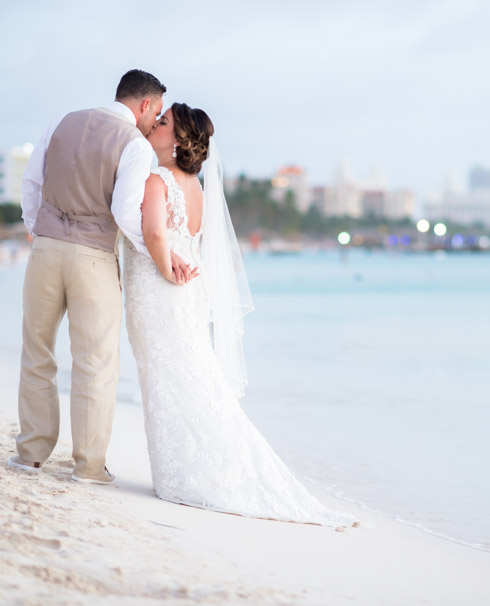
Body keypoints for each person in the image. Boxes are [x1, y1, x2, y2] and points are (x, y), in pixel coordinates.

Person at [122, 103, 358, 529]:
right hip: (186, 294)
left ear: (176, 141)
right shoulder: (196, 187)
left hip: (163, 289)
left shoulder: (158, 180)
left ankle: (183, 474)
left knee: (169, 378)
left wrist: (164, 265)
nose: (155, 125)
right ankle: (188, 466)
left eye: (164, 123)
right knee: (187, 377)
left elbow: (156, 234)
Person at [8, 70, 197, 484]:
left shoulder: (62, 121)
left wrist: (39, 229)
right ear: (145, 104)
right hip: (92, 258)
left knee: (36, 351)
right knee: (95, 362)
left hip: (45, 249)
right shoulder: (132, 144)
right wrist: (161, 254)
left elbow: (31, 184)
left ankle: (31, 454)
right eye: (158, 112)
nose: (155, 121)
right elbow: (127, 213)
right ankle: (89, 467)